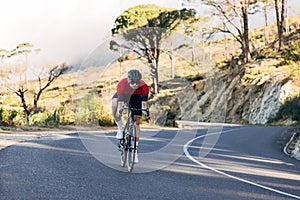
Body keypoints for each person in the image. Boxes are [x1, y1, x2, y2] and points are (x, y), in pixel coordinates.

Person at [111, 69, 150, 163]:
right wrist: (119, 112)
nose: (135, 85)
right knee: (114, 104)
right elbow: (120, 103)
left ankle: (135, 151)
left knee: (137, 122)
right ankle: (120, 129)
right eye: (132, 83)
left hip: (136, 98)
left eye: (137, 83)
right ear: (128, 81)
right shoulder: (122, 84)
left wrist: (146, 113)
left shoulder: (143, 87)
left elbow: (144, 104)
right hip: (124, 96)